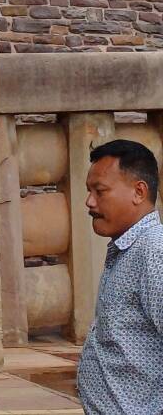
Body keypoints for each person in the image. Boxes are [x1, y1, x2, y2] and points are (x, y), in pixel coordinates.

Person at [77, 139, 163, 414]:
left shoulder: (153, 252)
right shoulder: (127, 248)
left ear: (139, 192)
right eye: (89, 191)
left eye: (100, 191)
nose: (89, 202)